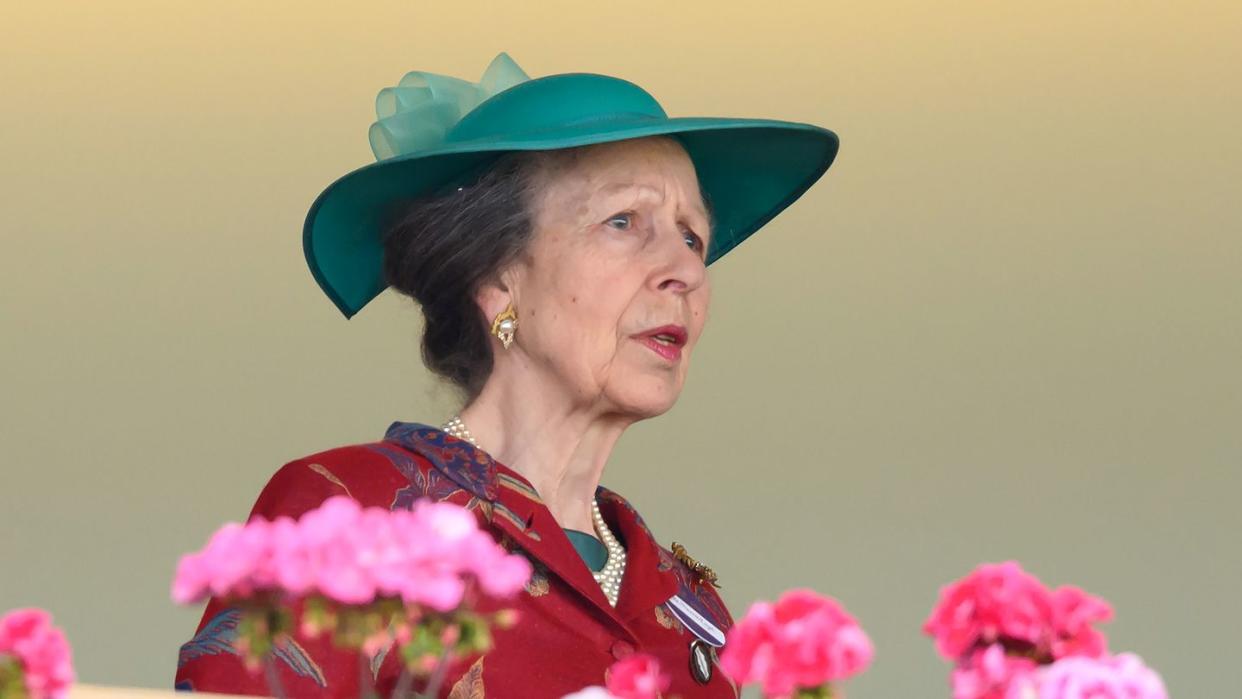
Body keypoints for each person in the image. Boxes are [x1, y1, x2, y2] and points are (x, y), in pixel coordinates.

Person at [174, 52, 839, 698]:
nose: (687, 271)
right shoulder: (349, 517)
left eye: (693, 235)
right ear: (497, 278)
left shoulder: (692, 606)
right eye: (623, 221)